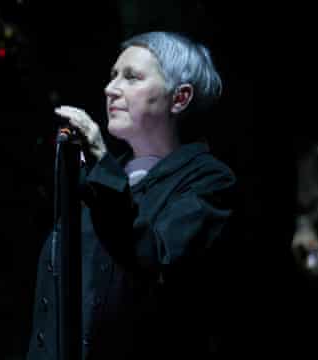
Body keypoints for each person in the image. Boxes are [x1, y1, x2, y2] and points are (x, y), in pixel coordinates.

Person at [27, 31, 237, 360]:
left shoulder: (208, 181)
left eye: (132, 77)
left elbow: (154, 259)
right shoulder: (97, 178)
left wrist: (101, 160)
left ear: (179, 98)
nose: (111, 89)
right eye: (112, 76)